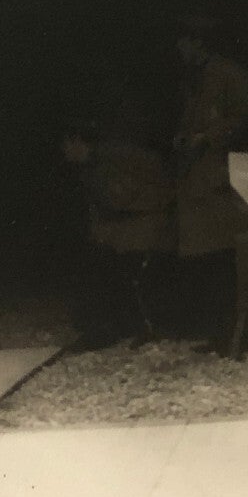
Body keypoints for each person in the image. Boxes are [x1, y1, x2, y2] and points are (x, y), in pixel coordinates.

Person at [61, 84, 177, 349]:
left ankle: (109, 330)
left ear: (77, 141)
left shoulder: (109, 160)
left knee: (104, 266)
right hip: (131, 229)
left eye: (66, 144)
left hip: (143, 229)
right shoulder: (100, 162)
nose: (64, 152)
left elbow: (123, 199)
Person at [173, 19, 248, 353]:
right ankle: (213, 332)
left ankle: (232, 335)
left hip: (221, 176)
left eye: (184, 43)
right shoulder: (192, 81)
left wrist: (208, 137)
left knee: (225, 258)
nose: (180, 51)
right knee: (206, 260)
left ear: (198, 42)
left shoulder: (229, 74)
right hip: (196, 180)